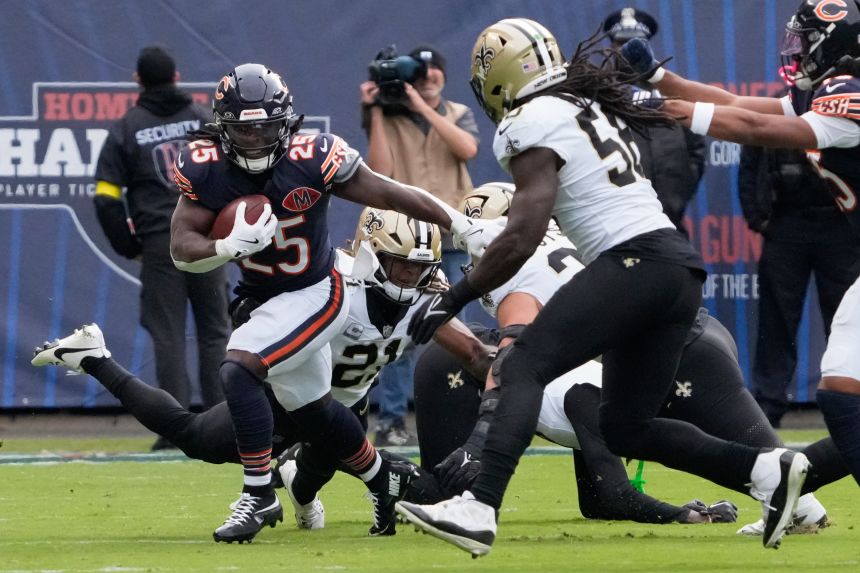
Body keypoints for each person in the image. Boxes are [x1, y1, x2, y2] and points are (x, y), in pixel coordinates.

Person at [396, 18, 810, 556]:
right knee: (625, 427)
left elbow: (522, 235)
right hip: (677, 268)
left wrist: (453, 298)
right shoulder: (582, 105)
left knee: (521, 364)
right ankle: (766, 472)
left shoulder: (528, 119)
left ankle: (479, 507)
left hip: (634, 261)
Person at [166, 62, 497, 544]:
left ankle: (258, 494)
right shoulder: (206, 166)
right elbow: (181, 249)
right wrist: (225, 247)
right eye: (243, 129)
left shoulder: (312, 157)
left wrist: (459, 224)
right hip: (261, 300)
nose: (255, 140)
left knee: (239, 367)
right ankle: (382, 478)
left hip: (316, 292)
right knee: (316, 411)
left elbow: (389, 193)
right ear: (223, 127)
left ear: (286, 124)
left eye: (266, 128)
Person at [31, 208, 494, 537]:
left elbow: (475, 355)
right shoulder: (331, 280)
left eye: (418, 268)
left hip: (348, 407)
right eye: (400, 265)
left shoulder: (430, 298)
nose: (409, 278)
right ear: (372, 254)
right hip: (288, 394)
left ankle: (297, 479)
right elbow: (263, 303)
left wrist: (506, 395)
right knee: (193, 437)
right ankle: (95, 358)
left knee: (326, 477)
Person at [413, 183, 844, 533]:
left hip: (677, 348)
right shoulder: (565, 239)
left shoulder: (521, 266)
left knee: (772, 462)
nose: (479, 257)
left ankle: (835, 460)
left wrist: (478, 443)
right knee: (641, 433)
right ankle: (802, 508)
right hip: (680, 335)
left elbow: (514, 353)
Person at [618, 0, 860, 488]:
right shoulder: (826, 88)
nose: (796, 49)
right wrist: (663, 81)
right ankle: (791, 487)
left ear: (831, 42)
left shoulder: (849, 93)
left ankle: (790, 485)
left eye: (804, 39)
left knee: (841, 392)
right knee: (841, 390)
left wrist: (664, 108)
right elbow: (738, 104)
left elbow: (757, 129)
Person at [93, 45, 230, 450]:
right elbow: (236, 174)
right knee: (216, 332)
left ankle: (175, 431)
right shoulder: (203, 119)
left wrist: (129, 245)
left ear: (138, 80)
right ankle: (223, 424)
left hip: (161, 244)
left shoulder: (126, 128)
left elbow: (105, 198)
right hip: (208, 240)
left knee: (168, 335)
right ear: (177, 76)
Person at [360, 45, 482, 446]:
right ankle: (392, 421)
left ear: (444, 75)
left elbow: (467, 149)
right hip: (406, 242)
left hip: (453, 237)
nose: (429, 77)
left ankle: (463, 414)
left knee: (457, 330)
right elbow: (380, 172)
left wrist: (422, 107)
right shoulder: (389, 116)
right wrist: (376, 111)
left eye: (435, 70)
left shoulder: (457, 113)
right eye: (421, 72)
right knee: (400, 331)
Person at [738, 109, 860, 427]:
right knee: (776, 319)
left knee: (846, 318)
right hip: (786, 222)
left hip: (840, 225)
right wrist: (758, 219)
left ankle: (851, 399)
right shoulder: (782, 107)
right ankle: (769, 404)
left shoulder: (847, 107)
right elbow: (751, 159)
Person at [602, 7, 707, 235]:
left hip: (669, 219)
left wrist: (677, 193)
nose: (628, 51)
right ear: (612, 48)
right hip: (612, 227)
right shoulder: (595, 95)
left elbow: (696, 149)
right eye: (622, 44)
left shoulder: (671, 91)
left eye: (636, 44)